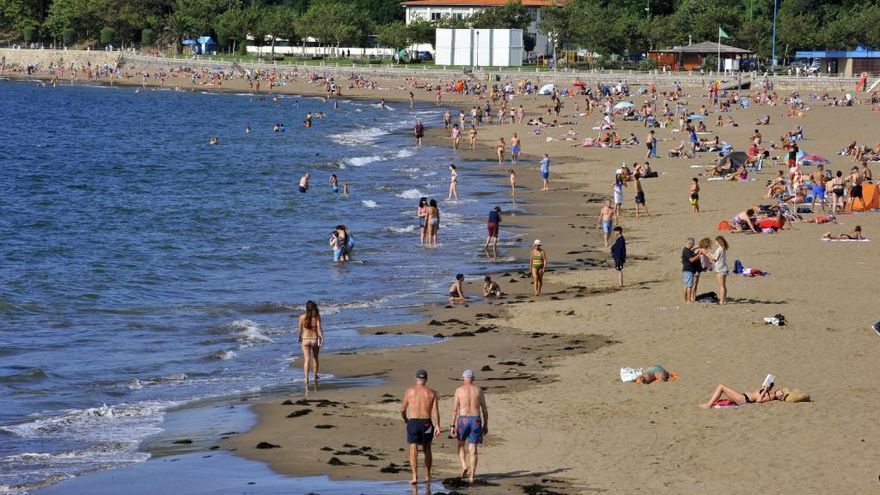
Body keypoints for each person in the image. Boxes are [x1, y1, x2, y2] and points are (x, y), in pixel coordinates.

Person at [400, 369, 441, 484]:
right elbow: (435, 411)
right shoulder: (431, 392)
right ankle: (427, 475)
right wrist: (437, 425)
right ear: (426, 379)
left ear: (416, 378)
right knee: (427, 448)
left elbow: (402, 409)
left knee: (413, 449)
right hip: (427, 422)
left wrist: (405, 419)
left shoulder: (410, 391)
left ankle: (414, 477)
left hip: (413, 422)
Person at [450, 369, 489, 484]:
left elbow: (454, 409)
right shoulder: (478, 390)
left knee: (461, 444)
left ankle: (463, 465)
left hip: (463, 420)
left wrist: (452, 425)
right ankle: (472, 476)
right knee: (473, 449)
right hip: (475, 420)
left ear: (463, 378)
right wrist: (485, 424)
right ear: (473, 378)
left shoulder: (459, 390)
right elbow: (484, 409)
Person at [297, 301, 324, 388]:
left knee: (307, 359)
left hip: (305, 339)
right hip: (314, 339)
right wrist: (322, 338)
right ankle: (315, 376)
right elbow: (319, 329)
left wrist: (299, 337)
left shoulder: (301, 317)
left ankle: (306, 378)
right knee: (315, 358)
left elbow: (300, 330)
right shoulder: (316, 317)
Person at [699, 382, 786, 409]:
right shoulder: (770, 392)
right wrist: (766, 386)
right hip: (743, 396)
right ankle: (709, 404)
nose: (781, 391)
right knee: (722, 388)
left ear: (780, 397)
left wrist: (766, 389)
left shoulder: (771, 397)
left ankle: (708, 405)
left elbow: (759, 400)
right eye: (781, 390)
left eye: (782, 393)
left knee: (721, 387)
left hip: (744, 399)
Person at [701, 236, 729, 304]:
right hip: (723, 268)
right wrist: (708, 253)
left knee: (721, 286)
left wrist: (706, 254)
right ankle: (723, 299)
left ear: (719, 241)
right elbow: (714, 256)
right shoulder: (722, 248)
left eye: (716, 241)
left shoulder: (719, 249)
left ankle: (722, 301)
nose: (715, 242)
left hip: (721, 269)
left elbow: (714, 259)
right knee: (723, 285)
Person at [681, 238, 700, 303]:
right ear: (690, 243)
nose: (693, 245)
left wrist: (697, 247)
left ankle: (685, 300)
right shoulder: (687, 251)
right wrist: (698, 255)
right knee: (689, 286)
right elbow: (691, 260)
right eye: (693, 244)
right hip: (688, 270)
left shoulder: (686, 250)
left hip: (686, 270)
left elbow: (692, 250)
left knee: (686, 285)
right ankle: (688, 300)